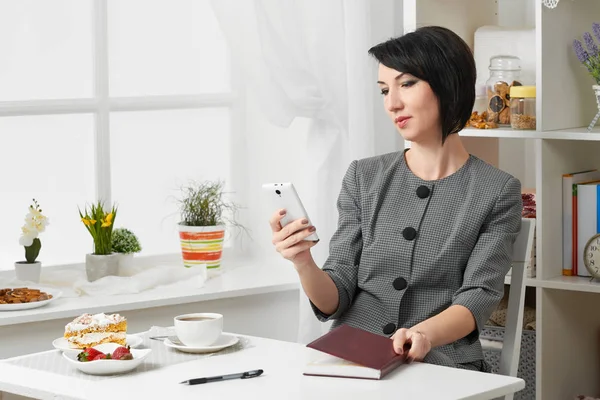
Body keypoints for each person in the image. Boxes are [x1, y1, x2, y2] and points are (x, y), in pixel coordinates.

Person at [268, 26, 522, 372]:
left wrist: (426, 334)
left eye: (406, 84)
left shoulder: (496, 190)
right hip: (352, 357)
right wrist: (303, 261)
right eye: (385, 90)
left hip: (440, 364)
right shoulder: (363, 176)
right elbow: (336, 293)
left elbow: (479, 295)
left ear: (447, 83)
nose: (392, 103)